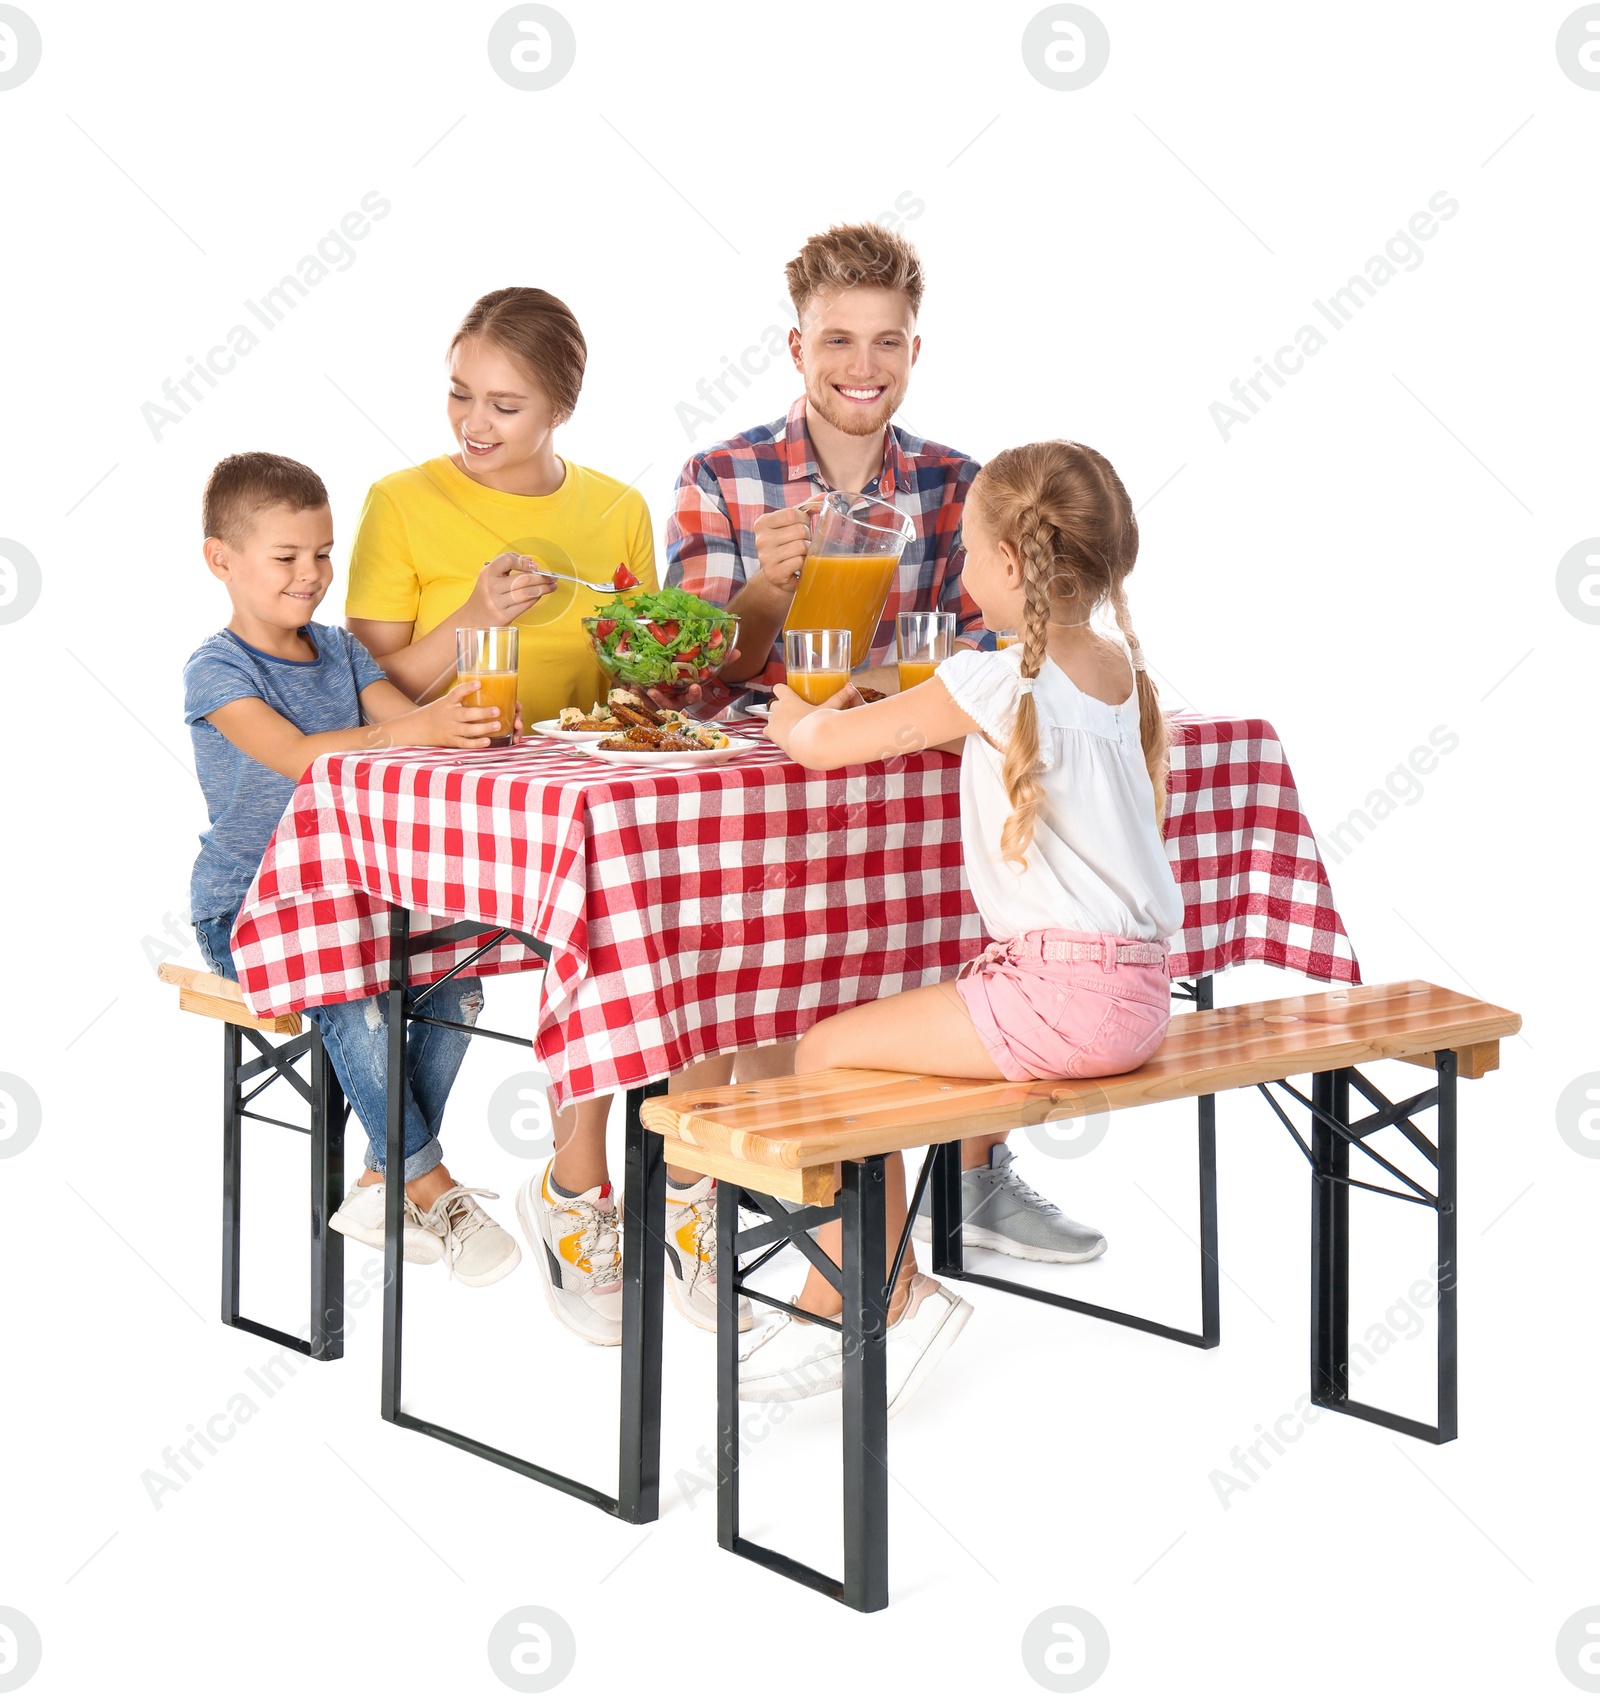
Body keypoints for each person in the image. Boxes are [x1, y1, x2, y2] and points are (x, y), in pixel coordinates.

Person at [666, 225, 1114, 1266]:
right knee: (754, 981)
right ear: (795, 350)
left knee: (997, 914)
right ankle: (730, 1200)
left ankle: (971, 1177)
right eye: (837, 341)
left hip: (915, 773)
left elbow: (1007, 645)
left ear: (916, 350)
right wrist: (768, 588)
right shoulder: (722, 475)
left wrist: (886, 687)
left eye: (886, 342)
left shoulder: (966, 484)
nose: (861, 367)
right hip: (769, 787)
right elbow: (693, 675)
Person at [743, 440, 1184, 1411]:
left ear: (1014, 566)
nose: (961, 569)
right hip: (1139, 997)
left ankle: (854, 1294)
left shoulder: (987, 677)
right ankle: (887, 1281)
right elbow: (935, 717)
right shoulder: (1116, 672)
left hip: (1061, 1003)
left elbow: (821, 748)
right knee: (870, 1045)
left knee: (823, 1055)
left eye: (972, 553)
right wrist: (896, 704)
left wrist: (789, 720)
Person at [342, 287, 728, 1344]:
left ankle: (680, 1182)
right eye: (461, 395)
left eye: (504, 405)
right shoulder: (399, 500)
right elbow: (356, 686)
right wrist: (471, 617)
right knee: (609, 908)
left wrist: (669, 669)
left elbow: (637, 673)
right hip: (439, 803)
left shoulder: (612, 511)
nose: (473, 425)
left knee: (705, 905)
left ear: (561, 405)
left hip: (575, 798)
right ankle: (580, 1191)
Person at [183, 451, 522, 1285]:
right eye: (287, 557)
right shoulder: (218, 667)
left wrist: (458, 725)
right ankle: (431, 1181)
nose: (312, 575)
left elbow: (407, 737)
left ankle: (380, 1178)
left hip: (360, 901)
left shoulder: (339, 652)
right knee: (358, 996)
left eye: (323, 554)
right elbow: (300, 756)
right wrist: (418, 729)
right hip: (250, 910)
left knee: (462, 974)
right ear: (221, 559)